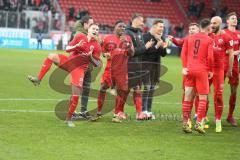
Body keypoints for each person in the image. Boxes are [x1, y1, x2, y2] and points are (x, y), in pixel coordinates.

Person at [27, 24, 102, 127]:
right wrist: (76, 46)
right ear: (88, 30)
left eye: (97, 29)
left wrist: (90, 57)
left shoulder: (97, 46)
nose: (95, 30)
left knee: (75, 95)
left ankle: (68, 119)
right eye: (93, 28)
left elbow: (97, 63)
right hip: (69, 62)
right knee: (51, 56)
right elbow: (67, 49)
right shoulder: (79, 37)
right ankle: (38, 79)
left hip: (79, 69)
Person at [96, 20, 136, 121]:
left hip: (122, 69)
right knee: (102, 88)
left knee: (121, 91)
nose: (122, 28)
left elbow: (132, 53)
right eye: (120, 26)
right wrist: (105, 55)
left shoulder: (128, 38)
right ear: (115, 27)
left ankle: (117, 113)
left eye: (124, 27)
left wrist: (127, 45)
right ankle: (99, 111)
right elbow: (103, 52)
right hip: (109, 68)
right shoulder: (107, 38)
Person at [181, 18, 214, 134]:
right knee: (203, 98)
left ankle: (186, 123)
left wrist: (184, 67)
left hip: (189, 70)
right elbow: (210, 57)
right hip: (201, 71)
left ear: (200, 27)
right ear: (209, 28)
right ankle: (199, 123)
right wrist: (210, 70)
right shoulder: (209, 40)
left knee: (187, 98)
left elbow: (183, 53)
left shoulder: (189, 38)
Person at [206, 16, 234, 132]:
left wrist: (230, 70)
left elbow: (231, 54)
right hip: (207, 70)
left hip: (219, 71)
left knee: (218, 96)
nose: (212, 25)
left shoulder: (227, 37)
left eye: (215, 23)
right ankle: (202, 118)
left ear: (220, 24)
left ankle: (218, 120)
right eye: (211, 23)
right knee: (203, 94)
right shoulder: (208, 35)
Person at [125, 13, 155, 119]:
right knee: (126, 90)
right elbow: (132, 52)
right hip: (128, 65)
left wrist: (148, 47)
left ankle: (139, 113)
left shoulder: (139, 33)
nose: (142, 23)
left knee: (136, 89)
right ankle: (118, 111)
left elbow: (141, 50)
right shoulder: (127, 33)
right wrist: (145, 47)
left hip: (138, 65)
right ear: (135, 20)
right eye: (141, 20)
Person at [142, 19, 167, 119]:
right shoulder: (145, 37)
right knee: (147, 87)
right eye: (160, 26)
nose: (162, 28)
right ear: (154, 26)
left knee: (151, 89)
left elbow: (163, 54)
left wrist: (162, 46)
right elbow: (145, 52)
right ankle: (143, 111)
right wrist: (157, 45)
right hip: (145, 65)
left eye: (163, 27)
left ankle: (149, 110)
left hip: (156, 66)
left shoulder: (161, 38)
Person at [72, 15, 95, 119]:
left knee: (86, 88)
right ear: (85, 24)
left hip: (88, 66)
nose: (93, 26)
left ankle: (83, 111)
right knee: (76, 88)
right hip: (79, 66)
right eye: (91, 24)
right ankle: (71, 111)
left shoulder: (90, 34)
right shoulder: (80, 35)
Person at [224, 12, 240, 127]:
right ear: (227, 21)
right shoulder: (223, 33)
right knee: (217, 90)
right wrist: (232, 53)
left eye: (236, 18)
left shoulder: (239, 34)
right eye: (232, 18)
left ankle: (230, 116)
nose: (235, 20)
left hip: (235, 66)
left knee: (234, 91)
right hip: (222, 64)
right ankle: (215, 116)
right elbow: (219, 49)